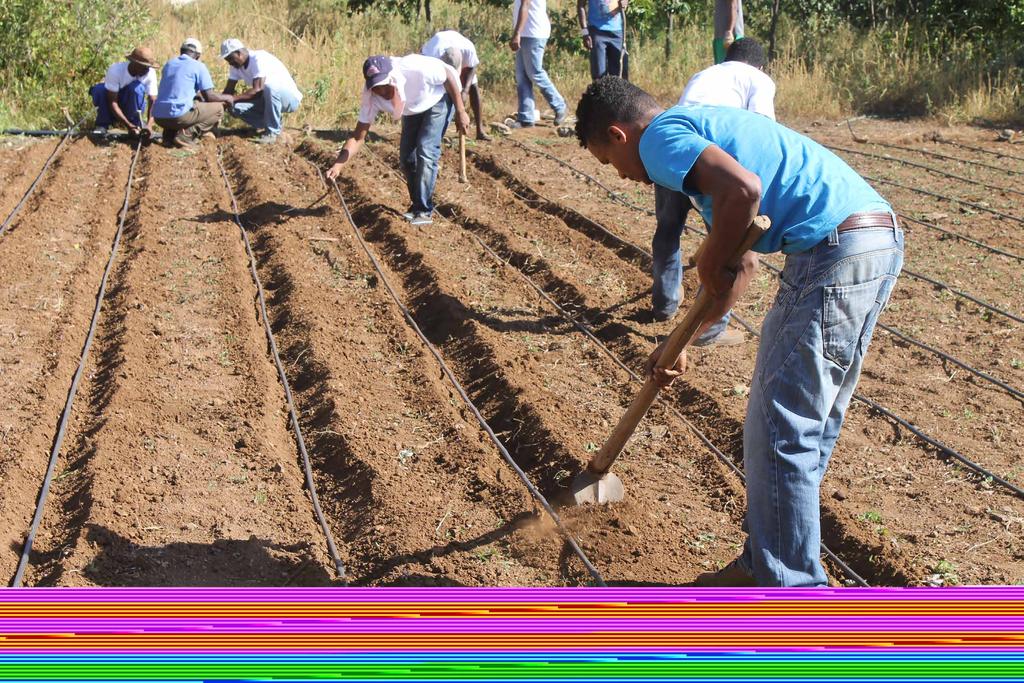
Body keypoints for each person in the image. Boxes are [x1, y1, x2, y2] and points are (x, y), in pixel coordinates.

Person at [574, 76, 904, 587]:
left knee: (781, 423)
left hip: (832, 251)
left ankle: (788, 590)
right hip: (868, 241)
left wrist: (706, 257)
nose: (620, 177)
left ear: (618, 136)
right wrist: (684, 336)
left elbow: (745, 193)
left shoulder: (660, 138)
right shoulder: (700, 136)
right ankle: (765, 565)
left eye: (607, 163)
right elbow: (742, 262)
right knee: (803, 425)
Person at [651, 37, 775, 344]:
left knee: (668, 229)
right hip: (714, 162)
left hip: (675, 151)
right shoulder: (758, 78)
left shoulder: (706, 73)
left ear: (727, 57)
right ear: (759, 65)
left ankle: (664, 302)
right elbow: (761, 129)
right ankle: (711, 331)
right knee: (726, 248)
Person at [325, 54, 470, 226]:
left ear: (392, 77)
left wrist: (460, 111)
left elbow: (447, 75)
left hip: (439, 95)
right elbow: (358, 137)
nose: (382, 92)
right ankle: (417, 206)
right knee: (407, 159)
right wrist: (338, 165)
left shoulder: (415, 70)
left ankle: (424, 210)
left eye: (385, 85)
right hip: (411, 107)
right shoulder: (372, 98)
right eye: (376, 87)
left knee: (426, 148)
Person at [153, 38, 235, 148]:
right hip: (178, 117)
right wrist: (228, 97)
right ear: (198, 55)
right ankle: (186, 135)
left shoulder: (169, 64)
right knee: (218, 109)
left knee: (182, 103)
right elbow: (209, 96)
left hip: (159, 117)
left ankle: (168, 136)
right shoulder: (198, 66)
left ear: (181, 51)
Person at [219, 39, 302, 144]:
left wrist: (232, 98)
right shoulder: (236, 66)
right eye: (227, 60)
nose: (230, 63)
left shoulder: (259, 58)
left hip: (289, 99)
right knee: (233, 107)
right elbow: (228, 91)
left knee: (269, 87)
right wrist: (218, 107)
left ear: (239, 53)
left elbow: (257, 90)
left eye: (230, 59)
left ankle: (273, 133)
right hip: (266, 100)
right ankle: (272, 124)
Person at [507, 0, 568, 129]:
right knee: (521, 75)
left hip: (533, 32)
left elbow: (526, 5)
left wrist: (517, 33)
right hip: (526, 32)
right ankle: (526, 117)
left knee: (535, 72)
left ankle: (559, 105)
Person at [421, 30, 491, 141]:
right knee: (440, 96)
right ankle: (434, 131)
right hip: (436, 65)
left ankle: (480, 130)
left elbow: (473, 67)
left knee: (473, 87)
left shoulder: (468, 50)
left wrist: (465, 90)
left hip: (458, 56)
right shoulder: (433, 55)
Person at [89, 46, 159, 137]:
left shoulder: (150, 73)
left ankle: (136, 124)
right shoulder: (115, 70)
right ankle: (103, 125)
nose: (147, 69)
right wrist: (128, 126)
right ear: (135, 64)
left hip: (131, 107)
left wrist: (149, 126)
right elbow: (112, 102)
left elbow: (153, 101)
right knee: (100, 90)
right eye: (145, 67)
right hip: (114, 105)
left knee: (136, 89)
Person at [576, 0, 629, 80]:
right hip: (596, 32)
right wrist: (585, 33)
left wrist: (625, 2)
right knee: (599, 75)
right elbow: (581, 6)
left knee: (620, 76)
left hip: (617, 33)